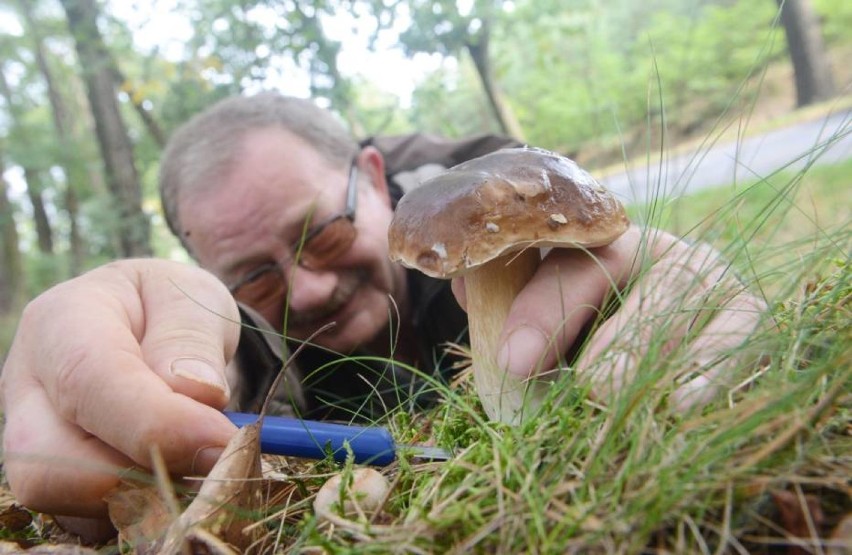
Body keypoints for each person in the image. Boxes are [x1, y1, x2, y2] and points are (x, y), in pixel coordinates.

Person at [0, 93, 766, 527]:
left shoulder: (497, 197)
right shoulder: (234, 330)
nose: (304, 290)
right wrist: (125, 380)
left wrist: (680, 293)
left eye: (325, 235)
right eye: (255, 277)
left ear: (374, 176)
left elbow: (645, 257)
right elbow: (197, 357)